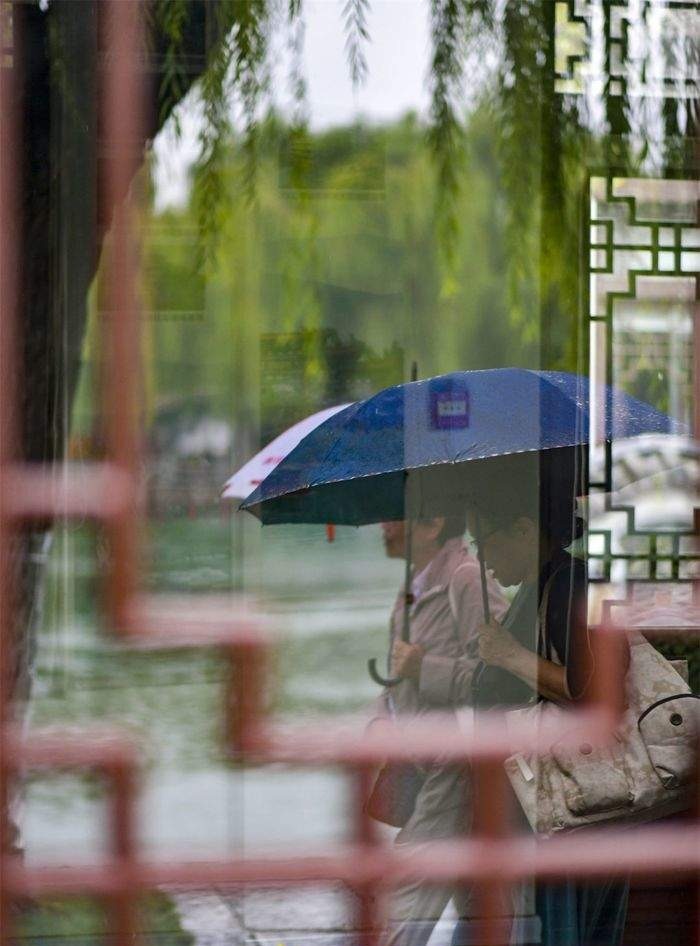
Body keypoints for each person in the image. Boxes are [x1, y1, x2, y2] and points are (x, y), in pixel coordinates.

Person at [449, 475, 629, 946]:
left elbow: (592, 690)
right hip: (553, 801)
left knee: (562, 928)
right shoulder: (540, 586)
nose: (482, 558)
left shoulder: (569, 587)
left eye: (483, 539)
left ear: (525, 530)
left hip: (570, 799)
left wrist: (508, 655)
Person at [369, 511, 507, 946]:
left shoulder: (469, 581)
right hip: (424, 766)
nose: (383, 527)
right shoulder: (416, 587)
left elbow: (501, 677)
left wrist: (423, 666)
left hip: (457, 770)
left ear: (432, 522)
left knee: (401, 902)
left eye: (393, 517)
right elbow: (398, 678)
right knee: (485, 915)